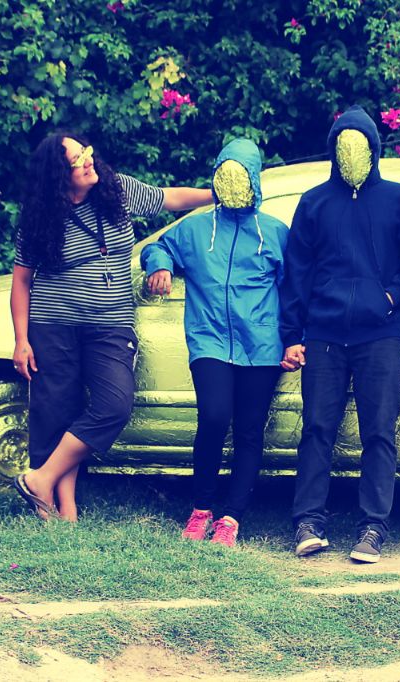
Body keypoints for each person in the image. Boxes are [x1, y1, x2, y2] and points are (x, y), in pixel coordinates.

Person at [10, 131, 212, 522]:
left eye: (85, 151)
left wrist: (215, 195)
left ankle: (40, 479)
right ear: (57, 175)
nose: (88, 160)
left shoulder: (116, 190)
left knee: (114, 405)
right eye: (76, 159)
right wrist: (21, 340)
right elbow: (21, 282)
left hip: (111, 324)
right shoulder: (40, 218)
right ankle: (64, 508)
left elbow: (169, 198)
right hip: (54, 324)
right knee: (57, 411)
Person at [280, 105, 400, 563]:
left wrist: (390, 298)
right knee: (316, 430)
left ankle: (373, 528)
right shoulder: (313, 203)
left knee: (379, 433)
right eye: (342, 146)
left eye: (359, 145)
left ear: (374, 149)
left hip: (380, 336)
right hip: (323, 336)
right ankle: (308, 521)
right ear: (332, 150)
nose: (351, 153)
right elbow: (296, 273)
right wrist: (292, 334)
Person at [141, 139, 288, 547]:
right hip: (209, 341)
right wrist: (160, 265)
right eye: (226, 175)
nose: (233, 184)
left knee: (249, 431)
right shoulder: (195, 228)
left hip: (262, 347)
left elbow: (295, 290)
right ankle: (201, 509)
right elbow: (157, 246)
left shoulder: (275, 232)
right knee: (214, 417)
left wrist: (296, 340)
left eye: (241, 176)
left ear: (254, 181)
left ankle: (231, 518)